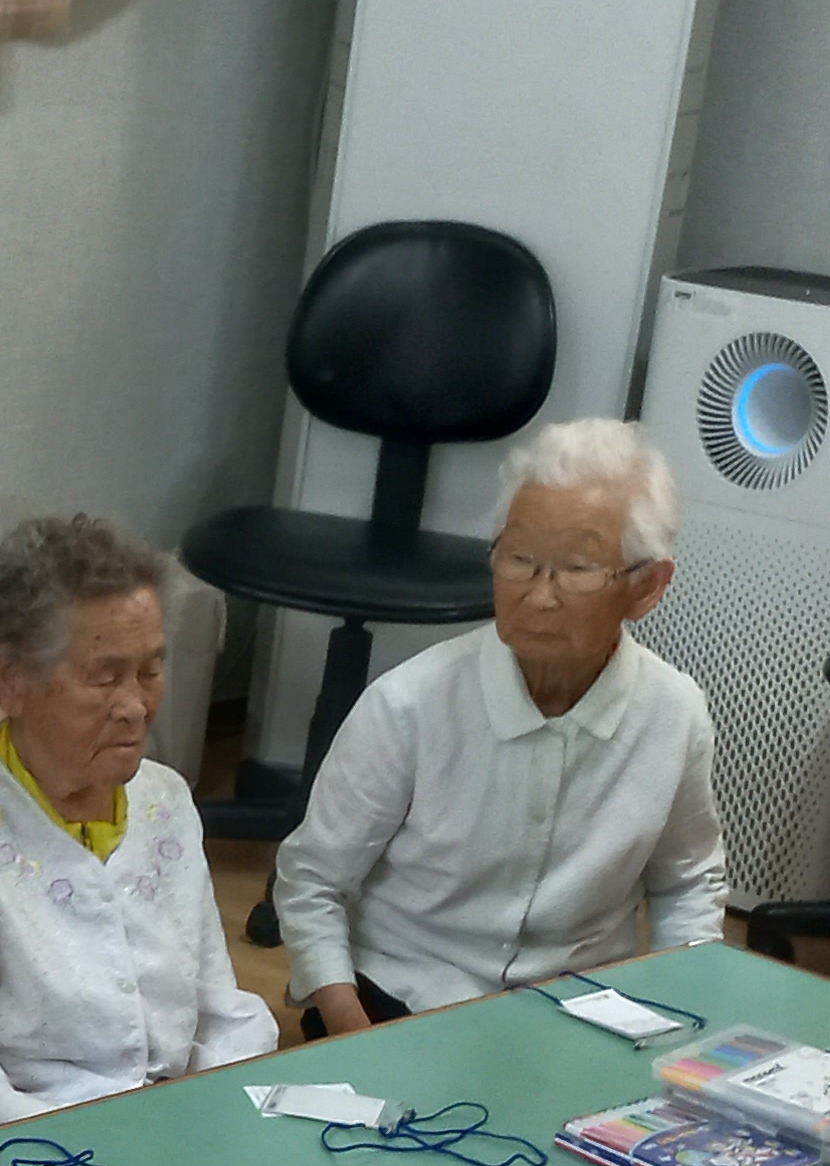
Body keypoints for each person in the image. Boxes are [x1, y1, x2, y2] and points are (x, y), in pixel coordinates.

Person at [0, 511, 279, 1157]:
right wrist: (83, 1144)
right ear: (11, 676)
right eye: (105, 677)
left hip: (146, 1119)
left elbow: (214, 1006)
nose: (136, 706)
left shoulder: (166, 800)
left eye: (151, 671)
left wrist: (212, 1113)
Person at [270, 418, 729, 1035]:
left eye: (576, 568)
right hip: (404, 992)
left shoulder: (674, 713)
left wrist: (682, 1016)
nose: (538, 596)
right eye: (518, 560)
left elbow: (687, 886)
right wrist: (350, 1028)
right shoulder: (410, 704)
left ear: (647, 587)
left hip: (577, 1010)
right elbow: (313, 880)